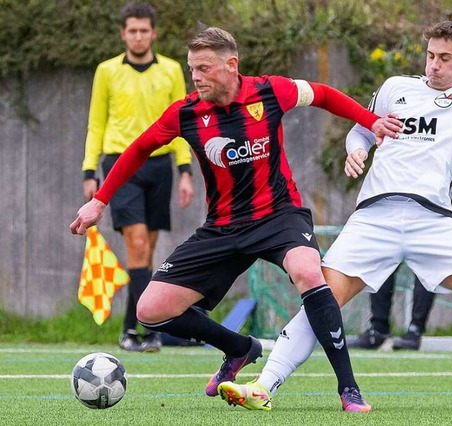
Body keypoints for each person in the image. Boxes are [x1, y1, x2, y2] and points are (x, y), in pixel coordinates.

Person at [218, 10, 452, 412]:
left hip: (434, 221)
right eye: (431, 55)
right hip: (374, 219)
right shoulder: (395, 88)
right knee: (321, 301)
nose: (434, 64)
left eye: (445, 58)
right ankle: (263, 386)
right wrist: (356, 149)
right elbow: (362, 128)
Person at [70, 27, 400, 412]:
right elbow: (139, 149)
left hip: (280, 216)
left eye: (205, 68)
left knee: (310, 273)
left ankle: (349, 389)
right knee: (150, 310)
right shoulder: (187, 113)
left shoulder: (271, 91)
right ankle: (239, 347)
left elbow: (323, 94)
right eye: (193, 68)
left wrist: (370, 120)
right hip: (224, 227)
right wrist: (100, 201)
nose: (196, 76)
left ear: (232, 65)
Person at [80, 2, 194, 353]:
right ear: (123, 34)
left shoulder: (172, 70)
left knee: (146, 252)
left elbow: (183, 121)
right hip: (119, 165)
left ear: (154, 33)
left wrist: (185, 170)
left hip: (160, 167)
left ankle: (137, 329)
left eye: (145, 30)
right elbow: (96, 122)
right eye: (133, 30)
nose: (139, 36)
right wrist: (89, 170)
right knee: (138, 244)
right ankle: (141, 328)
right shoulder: (107, 71)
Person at [350, 135, 452, 351]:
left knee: (427, 254)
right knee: (385, 251)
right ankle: (378, 329)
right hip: (414, 206)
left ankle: (415, 330)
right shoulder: (427, 127)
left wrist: (429, 202)